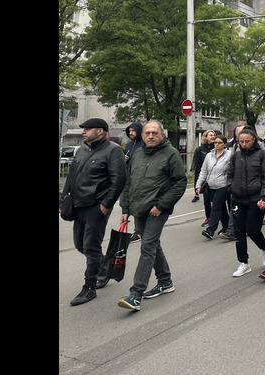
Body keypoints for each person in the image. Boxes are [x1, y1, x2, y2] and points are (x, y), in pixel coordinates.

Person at [116, 120, 187, 311]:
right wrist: (126, 209)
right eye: (147, 133)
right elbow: (130, 182)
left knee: (147, 247)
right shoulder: (138, 153)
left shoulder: (170, 154)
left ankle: (135, 294)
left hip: (157, 209)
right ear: (143, 135)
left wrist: (161, 205)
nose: (150, 136)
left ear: (162, 135)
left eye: (155, 133)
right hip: (139, 208)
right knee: (153, 243)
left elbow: (180, 183)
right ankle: (165, 282)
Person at [61, 118, 127, 306]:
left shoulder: (113, 150)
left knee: (90, 247)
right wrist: (63, 198)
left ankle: (89, 288)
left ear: (100, 131)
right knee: (80, 245)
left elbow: (119, 180)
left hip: (96, 207)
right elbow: (71, 177)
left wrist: (106, 204)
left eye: (87, 129)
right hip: (77, 205)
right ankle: (103, 268)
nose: (83, 131)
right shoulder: (82, 150)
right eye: (83, 129)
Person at [226, 127, 265, 278]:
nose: (244, 144)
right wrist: (230, 187)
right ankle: (244, 263)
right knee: (239, 231)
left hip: (256, 198)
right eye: (241, 141)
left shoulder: (262, 155)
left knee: (252, 229)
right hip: (238, 198)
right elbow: (229, 173)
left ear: (254, 140)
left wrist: (264, 197)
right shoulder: (236, 156)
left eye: (247, 141)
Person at [198, 134, 234, 240]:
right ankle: (227, 226)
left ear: (225, 144)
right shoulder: (210, 155)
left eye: (219, 143)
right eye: (215, 142)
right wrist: (198, 185)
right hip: (211, 186)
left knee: (216, 207)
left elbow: (233, 170)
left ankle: (210, 230)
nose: (217, 145)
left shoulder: (229, 155)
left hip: (223, 185)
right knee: (221, 208)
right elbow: (204, 170)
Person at [191, 130, 217, 217]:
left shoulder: (217, 148)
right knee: (206, 199)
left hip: (214, 175)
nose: (213, 137)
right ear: (206, 137)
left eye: (214, 135)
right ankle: (208, 217)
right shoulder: (200, 149)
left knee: (216, 199)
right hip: (203, 173)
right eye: (211, 135)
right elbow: (196, 160)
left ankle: (217, 217)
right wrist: (193, 168)